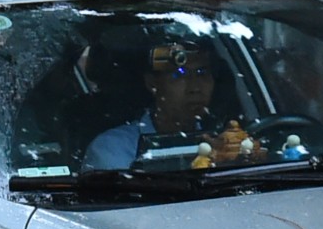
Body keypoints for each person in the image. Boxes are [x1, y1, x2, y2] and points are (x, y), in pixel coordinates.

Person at [83, 40, 257, 170]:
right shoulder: (114, 147)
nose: (195, 87)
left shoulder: (225, 140)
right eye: (179, 75)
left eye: (202, 73)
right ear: (152, 83)